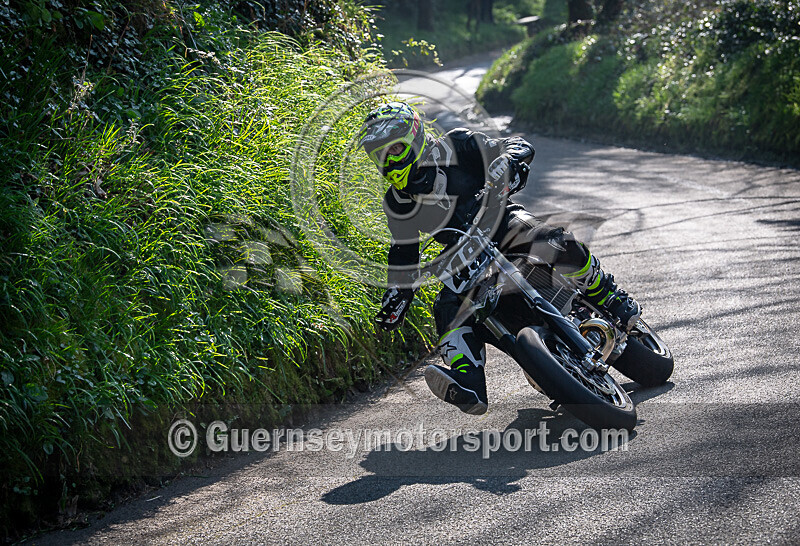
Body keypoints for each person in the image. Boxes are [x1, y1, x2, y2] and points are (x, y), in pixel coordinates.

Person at [358, 101, 641, 415]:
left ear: (415, 136)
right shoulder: (396, 203)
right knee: (446, 307)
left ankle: (610, 295)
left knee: (548, 238)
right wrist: (397, 293)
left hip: (500, 219)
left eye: (393, 149)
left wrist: (508, 159)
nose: (388, 160)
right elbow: (404, 249)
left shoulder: (457, 144)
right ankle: (467, 382)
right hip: (461, 252)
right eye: (379, 155)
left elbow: (514, 145)